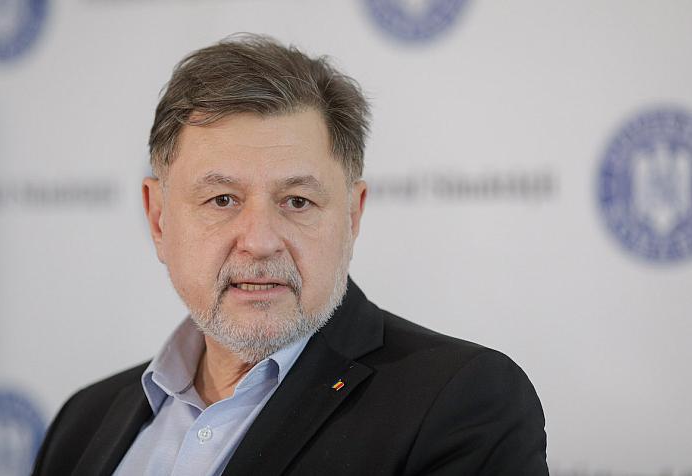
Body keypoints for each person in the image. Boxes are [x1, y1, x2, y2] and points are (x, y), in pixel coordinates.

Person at [33, 34, 548, 475]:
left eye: (297, 201)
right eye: (222, 200)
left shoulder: (461, 402)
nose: (260, 240)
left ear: (352, 216)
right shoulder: (84, 420)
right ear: (158, 218)